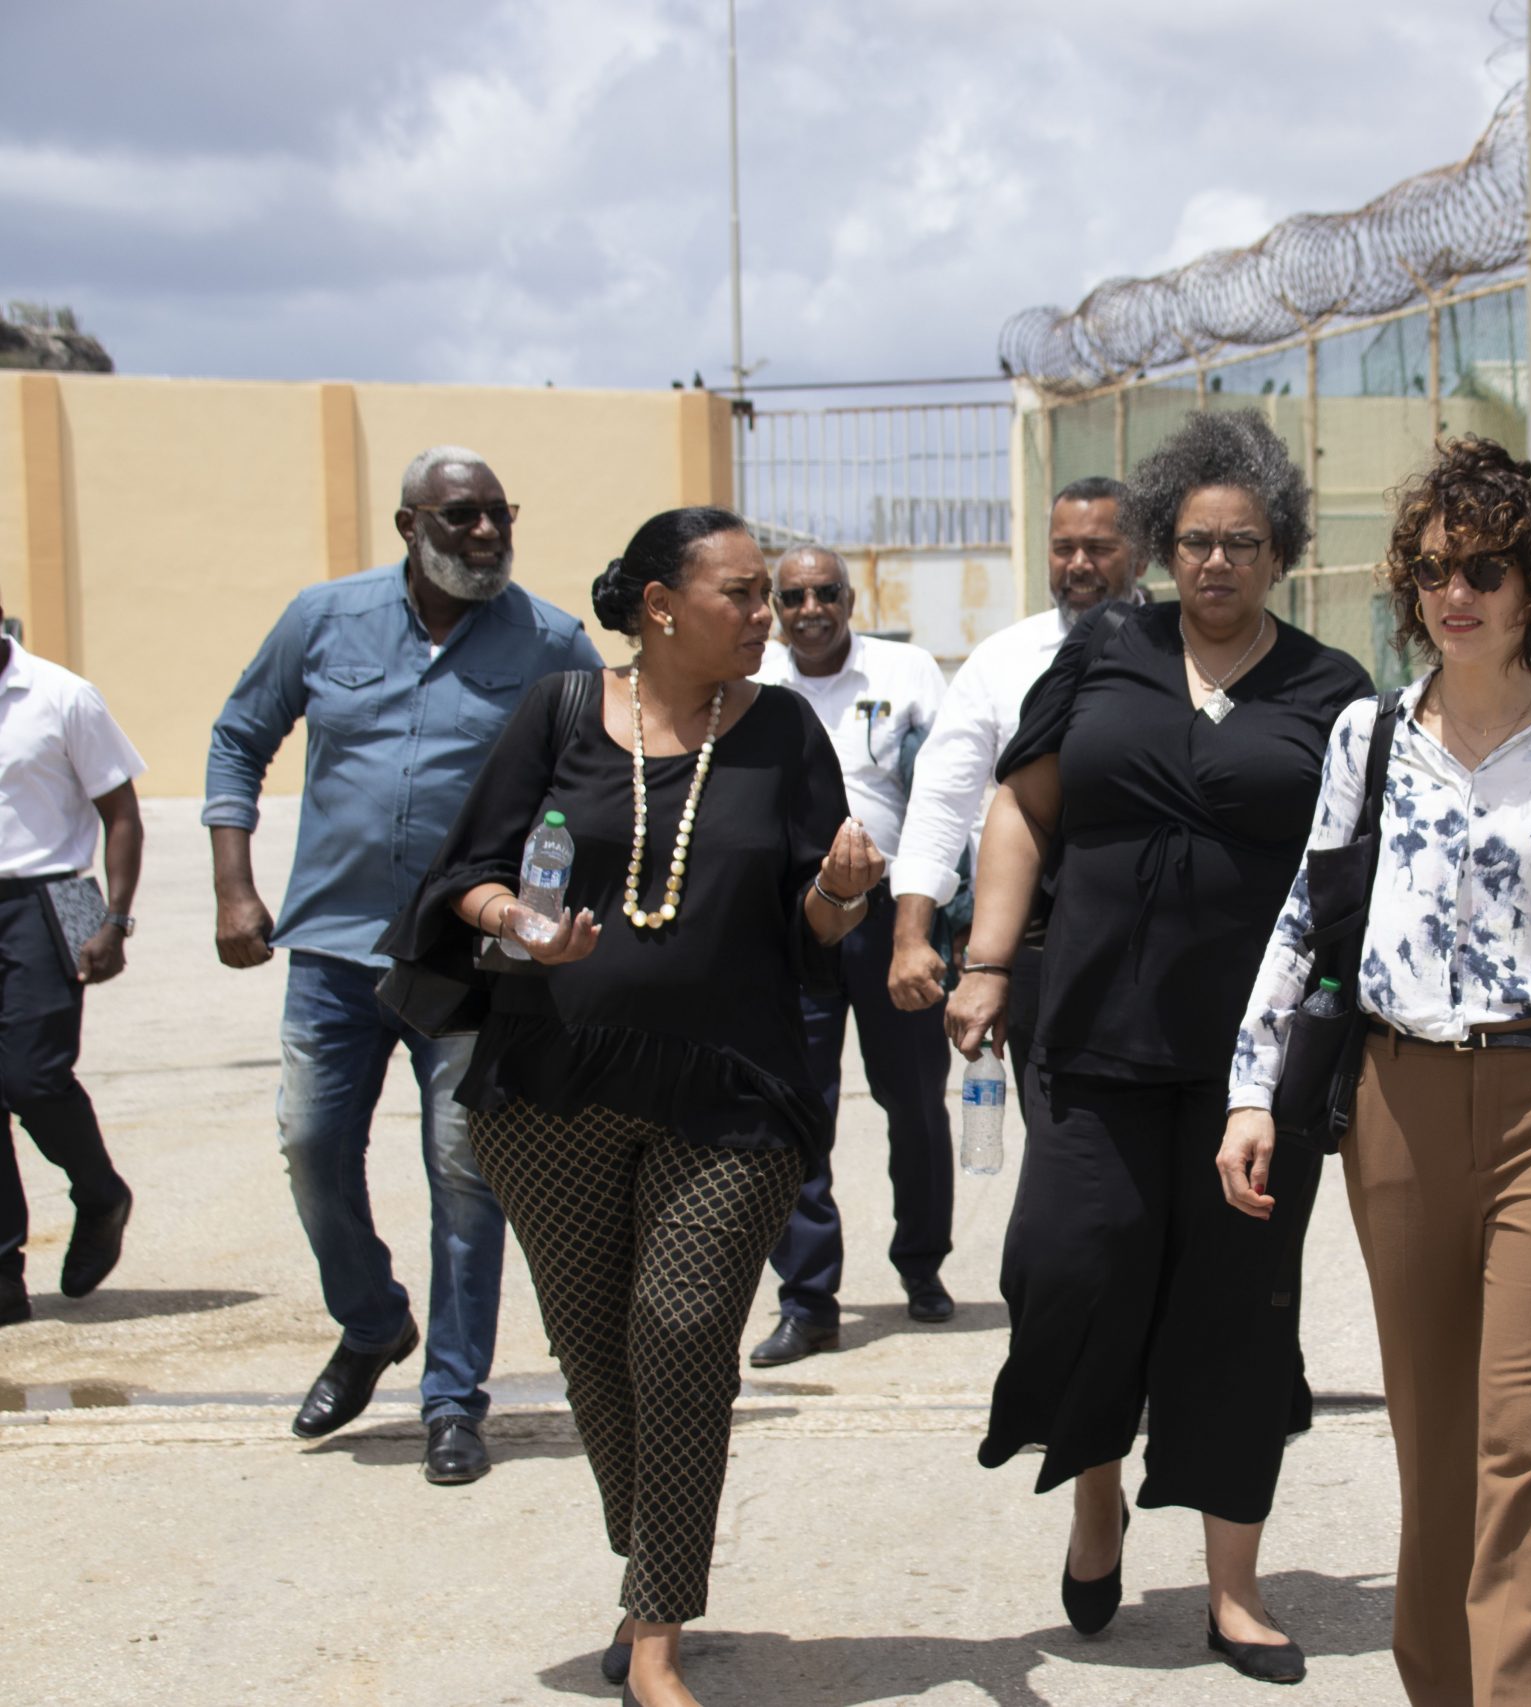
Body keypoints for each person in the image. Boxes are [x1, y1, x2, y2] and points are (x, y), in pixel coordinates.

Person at [1222, 437, 1531, 1707]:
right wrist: (1249, 1091)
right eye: (1433, 568)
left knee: (1526, 1445)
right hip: (1397, 1105)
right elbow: (1305, 922)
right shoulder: (1369, 737)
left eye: (1485, 566)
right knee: (1434, 1450)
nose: (1457, 592)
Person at [380, 506, 878, 1707]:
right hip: (550, 1084)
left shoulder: (786, 737)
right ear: (661, 606)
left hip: (732, 1093)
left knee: (682, 1333)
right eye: (745, 596)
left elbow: (816, 928)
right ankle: (647, 1564)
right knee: (597, 1360)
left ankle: (656, 1638)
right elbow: (466, 874)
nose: (771, 617)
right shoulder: (555, 713)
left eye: (771, 596)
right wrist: (519, 924)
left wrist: (845, 896)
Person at [946, 412, 1371, 1685]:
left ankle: (1233, 1590)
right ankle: (1095, 1497)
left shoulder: (1331, 691)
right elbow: (1022, 810)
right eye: (1194, 540)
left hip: (1257, 1062)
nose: (1217, 564)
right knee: (1071, 1274)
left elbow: (1355, 877)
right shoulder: (1100, 656)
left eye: (1243, 542)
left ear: (1282, 551)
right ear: (1161, 544)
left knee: (1237, 1313)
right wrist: (984, 960)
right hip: (1092, 1032)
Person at [204, 445, 602, 1484]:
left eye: (498, 515)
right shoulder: (321, 618)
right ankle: (373, 1319)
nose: (484, 535)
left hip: (470, 961)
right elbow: (240, 738)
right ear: (408, 528)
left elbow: (592, 784)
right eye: (461, 517)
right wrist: (234, 885)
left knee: (466, 1176)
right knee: (308, 1144)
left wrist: (546, 920)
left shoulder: (551, 640)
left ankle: (453, 1400)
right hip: (331, 949)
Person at [745, 545, 956, 1360]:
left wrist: (944, 916)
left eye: (824, 593)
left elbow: (946, 791)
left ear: (849, 595)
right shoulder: (756, 679)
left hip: (891, 918)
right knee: (799, 1109)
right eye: (791, 595)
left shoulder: (903, 672)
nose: (808, 610)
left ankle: (923, 1267)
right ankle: (807, 1299)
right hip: (793, 919)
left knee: (915, 1101)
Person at [885, 476, 1141, 1088]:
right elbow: (943, 796)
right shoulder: (1002, 659)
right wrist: (912, 933)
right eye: (1063, 548)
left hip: (1155, 943)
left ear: (1144, 551)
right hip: (1032, 947)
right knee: (1062, 1139)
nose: (1078, 565)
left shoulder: (1182, 649)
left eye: (1099, 547)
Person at [0, 597, 144, 1327]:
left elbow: (122, 812)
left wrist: (114, 919)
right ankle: (2, 1272)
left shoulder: (61, 695)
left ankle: (99, 1194)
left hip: (54, 896)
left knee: (31, 1073)